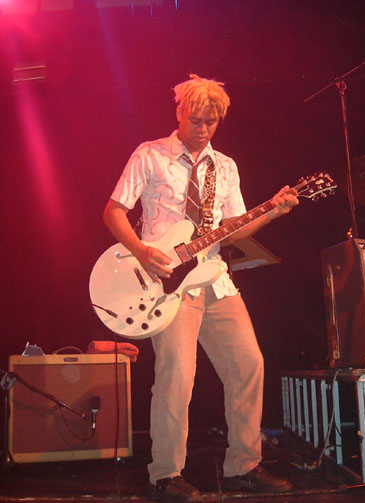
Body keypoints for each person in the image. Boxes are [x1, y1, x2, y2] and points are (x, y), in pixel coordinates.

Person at [103, 74, 299, 502]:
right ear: (179, 112)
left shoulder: (224, 167)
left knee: (248, 364)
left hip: (214, 278)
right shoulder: (150, 154)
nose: (203, 129)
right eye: (196, 120)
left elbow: (234, 231)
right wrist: (139, 250)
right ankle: (165, 474)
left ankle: (243, 466)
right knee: (177, 377)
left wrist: (275, 211)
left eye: (211, 122)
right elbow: (114, 210)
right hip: (166, 283)